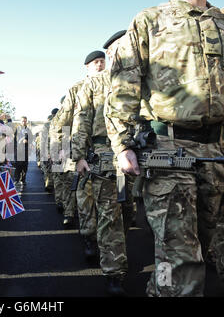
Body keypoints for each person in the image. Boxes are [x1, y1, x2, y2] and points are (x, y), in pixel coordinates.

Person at [105, 0, 224, 296]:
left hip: (218, 150)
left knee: (203, 243)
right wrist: (122, 142)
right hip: (168, 149)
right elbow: (125, 80)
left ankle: (161, 287)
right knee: (182, 256)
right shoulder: (150, 20)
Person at [71, 33, 133, 296]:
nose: (99, 64)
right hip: (104, 152)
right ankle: (114, 272)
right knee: (109, 215)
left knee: (130, 212)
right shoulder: (93, 85)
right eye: (95, 60)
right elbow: (81, 119)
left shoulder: (136, 76)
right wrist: (78, 155)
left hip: (139, 151)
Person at [14, 116, 33, 185]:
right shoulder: (17, 129)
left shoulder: (28, 130)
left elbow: (31, 139)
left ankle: (23, 180)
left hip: (26, 150)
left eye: (25, 121)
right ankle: (16, 179)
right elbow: (15, 140)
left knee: (24, 166)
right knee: (18, 165)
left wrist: (27, 141)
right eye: (22, 121)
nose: (23, 122)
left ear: (26, 121)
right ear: (20, 122)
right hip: (18, 150)